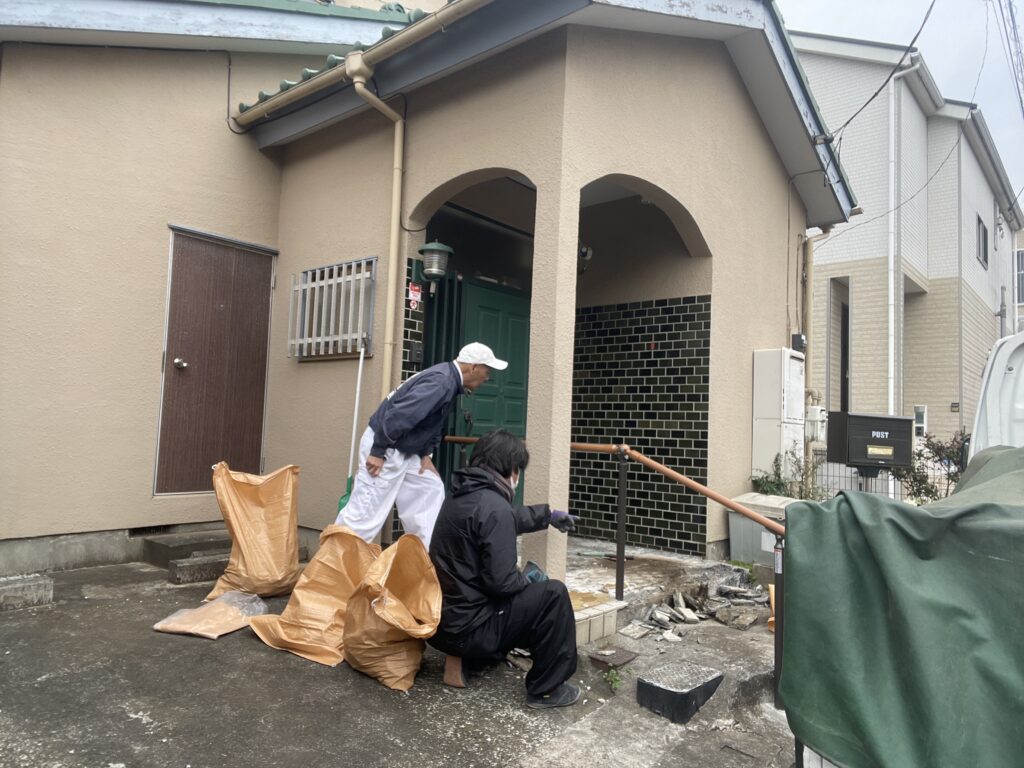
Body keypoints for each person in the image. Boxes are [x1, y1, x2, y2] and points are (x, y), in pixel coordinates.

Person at [428, 429, 581, 709]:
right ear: (511, 468)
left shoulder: (460, 496)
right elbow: (502, 583)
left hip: (441, 625)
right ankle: (546, 690)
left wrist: (547, 515)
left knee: (509, 599)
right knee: (553, 595)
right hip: (469, 631)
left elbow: (504, 518)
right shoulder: (495, 508)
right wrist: (529, 581)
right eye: (518, 469)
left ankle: (466, 662)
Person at [336, 342, 507, 548]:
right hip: (388, 446)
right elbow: (399, 416)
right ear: (473, 367)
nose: (487, 378)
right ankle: (334, 564)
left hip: (403, 448)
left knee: (429, 488)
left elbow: (431, 422)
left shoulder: (448, 379)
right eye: (487, 371)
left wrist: (426, 454)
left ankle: (424, 557)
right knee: (366, 512)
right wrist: (378, 451)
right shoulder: (441, 382)